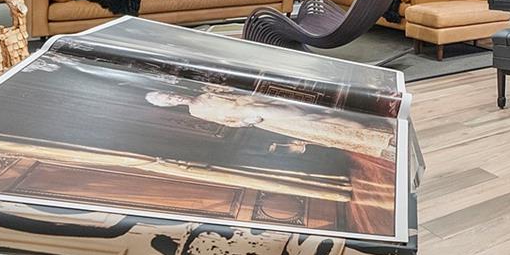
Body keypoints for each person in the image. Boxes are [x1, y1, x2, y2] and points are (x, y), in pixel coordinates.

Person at [145, 89, 395, 161]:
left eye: (167, 94)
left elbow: (236, 95)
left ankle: (373, 129)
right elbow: (228, 122)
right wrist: (245, 121)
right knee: (313, 125)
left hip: (261, 105)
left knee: (314, 115)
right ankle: (374, 138)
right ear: (167, 106)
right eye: (165, 100)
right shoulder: (196, 110)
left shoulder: (203, 95)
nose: (171, 98)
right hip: (261, 119)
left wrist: (255, 102)